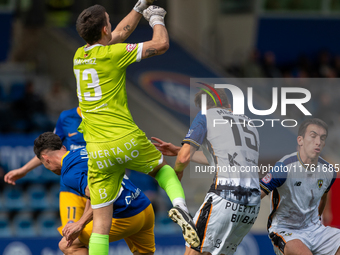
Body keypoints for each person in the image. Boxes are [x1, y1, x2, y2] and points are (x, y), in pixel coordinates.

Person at [73, 2, 199, 253]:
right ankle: (182, 209)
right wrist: (156, 19)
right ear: (104, 31)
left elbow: (119, 33)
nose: (112, 25)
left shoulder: (79, 56)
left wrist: (139, 8)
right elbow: (160, 44)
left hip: (97, 150)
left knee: (100, 226)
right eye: (109, 21)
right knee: (162, 171)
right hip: (125, 138)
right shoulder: (114, 54)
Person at [153, 88, 261, 255]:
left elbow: (183, 158)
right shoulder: (249, 123)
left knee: (193, 251)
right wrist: (177, 150)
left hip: (224, 197)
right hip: (252, 204)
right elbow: (218, 156)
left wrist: (177, 173)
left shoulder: (206, 115)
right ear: (229, 105)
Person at [34, 132, 155, 255]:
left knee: (67, 245)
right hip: (145, 206)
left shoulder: (69, 174)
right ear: (64, 148)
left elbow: (101, 195)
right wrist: (83, 220)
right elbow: (92, 194)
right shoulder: (87, 150)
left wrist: (80, 223)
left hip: (126, 216)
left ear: (45, 159)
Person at [260, 118, 340, 255]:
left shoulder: (329, 171)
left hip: (315, 230)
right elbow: (257, 194)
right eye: (313, 136)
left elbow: (324, 195)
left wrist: (319, 216)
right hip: (286, 230)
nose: (318, 142)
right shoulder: (284, 167)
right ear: (300, 140)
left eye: (322, 138)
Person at [4, 107, 87, 235]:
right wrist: (24, 170)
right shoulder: (66, 117)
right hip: (71, 189)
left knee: (100, 232)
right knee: (71, 239)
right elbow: (48, 150)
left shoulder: (105, 117)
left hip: (96, 182)